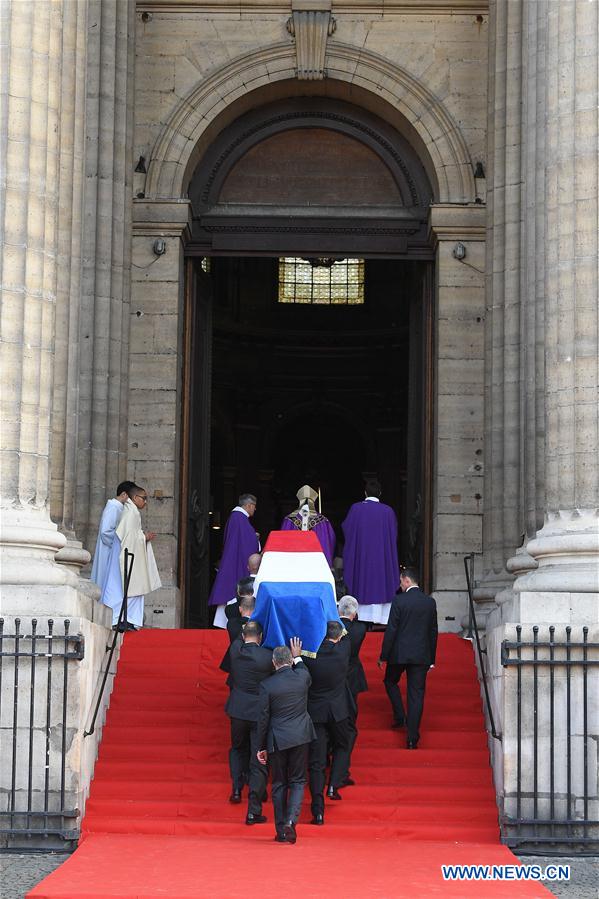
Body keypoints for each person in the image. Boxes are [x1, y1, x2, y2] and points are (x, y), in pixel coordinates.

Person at [256, 638, 315, 844]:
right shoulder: (302, 677)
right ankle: (291, 821)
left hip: (277, 739)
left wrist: (260, 747)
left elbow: (263, 718)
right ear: (290, 661)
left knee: (279, 783)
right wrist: (298, 655)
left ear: (273, 663)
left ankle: (281, 829)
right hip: (301, 736)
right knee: (298, 781)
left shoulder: (267, 685)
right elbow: (303, 669)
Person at [378, 567, 438, 749]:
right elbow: (433, 631)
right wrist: (432, 658)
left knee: (390, 681)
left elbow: (392, 630)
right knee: (416, 696)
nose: (400, 584)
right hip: (421, 655)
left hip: (399, 654)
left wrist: (383, 655)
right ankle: (412, 738)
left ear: (406, 580)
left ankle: (399, 715)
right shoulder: (429, 602)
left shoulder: (399, 600)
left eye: (400, 581)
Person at [302, 620, 352, 825]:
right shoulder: (343, 651)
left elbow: (300, 661)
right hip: (338, 711)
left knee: (317, 762)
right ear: (339, 637)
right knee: (343, 745)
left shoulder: (309, 657)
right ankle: (334, 784)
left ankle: (318, 810)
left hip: (316, 713)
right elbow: (347, 632)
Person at [225, 621, 273, 819]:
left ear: (244, 636)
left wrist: (247, 622)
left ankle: (237, 788)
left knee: (237, 748)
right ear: (260, 637)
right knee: (259, 756)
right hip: (259, 712)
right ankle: (254, 805)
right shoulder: (267, 656)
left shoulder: (236, 651)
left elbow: (238, 637)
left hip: (237, 709)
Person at [100, 484, 160, 630]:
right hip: (124, 555)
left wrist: (141, 537)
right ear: (134, 498)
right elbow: (125, 536)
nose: (145, 502)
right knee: (120, 587)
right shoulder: (130, 512)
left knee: (132, 588)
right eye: (144, 499)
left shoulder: (132, 512)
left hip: (129, 553)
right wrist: (143, 537)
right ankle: (116, 618)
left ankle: (126, 619)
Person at [341, 479, 400, 625]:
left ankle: (361, 620)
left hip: (362, 562)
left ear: (365, 492)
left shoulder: (356, 509)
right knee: (381, 583)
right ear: (380, 493)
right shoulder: (388, 511)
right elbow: (394, 536)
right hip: (381, 563)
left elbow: (346, 529)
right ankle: (380, 621)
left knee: (361, 583)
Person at [210, 495, 260, 627]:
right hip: (236, 565)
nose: (255, 510)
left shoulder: (237, 518)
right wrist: (256, 539)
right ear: (249, 505)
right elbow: (248, 545)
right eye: (254, 506)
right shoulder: (240, 519)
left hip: (232, 562)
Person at [337, 595, 368, 786]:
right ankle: (342, 769)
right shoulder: (360, 629)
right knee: (349, 723)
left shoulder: (331, 627)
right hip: (352, 678)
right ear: (355, 613)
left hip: (334, 677)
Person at [90, 481, 135, 588]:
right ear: (124, 494)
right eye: (131, 497)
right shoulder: (113, 507)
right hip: (108, 551)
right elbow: (105, 532)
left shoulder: (119, 508)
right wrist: (122, 541)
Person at [281, 485, 336, 566]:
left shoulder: (289, 520)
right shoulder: (323, 521)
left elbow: (281, 542)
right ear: (313, 501)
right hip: (316, 564)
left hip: (293, 564)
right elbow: (330, 541)